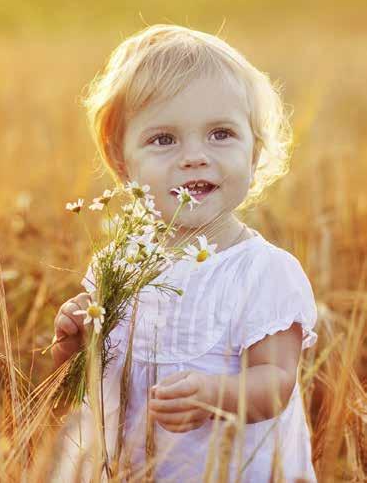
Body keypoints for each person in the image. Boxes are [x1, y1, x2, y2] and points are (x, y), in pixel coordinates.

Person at [50, 24, 318, 482]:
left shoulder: (263, 272)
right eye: (164, 139)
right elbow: (87, 379)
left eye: (220, 134)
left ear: (254, 153)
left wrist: (216, 394)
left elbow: (275, 381)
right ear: (121, 162)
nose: (194, 156)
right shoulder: (116, 266)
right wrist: (73, 342)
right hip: (134, 469)